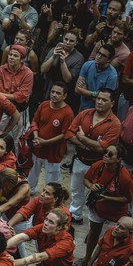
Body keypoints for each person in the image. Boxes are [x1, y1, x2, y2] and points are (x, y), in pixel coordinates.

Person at [66, 89, 122, 224]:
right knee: (76, 189)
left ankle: (96, 223)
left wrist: (83, 139)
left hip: (99, 164)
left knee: (98, 194)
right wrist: (86, 146)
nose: (100, 102)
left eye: (104, 100)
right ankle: (76, 215)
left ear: (112, 103)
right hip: (80, 159)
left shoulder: (115, 123)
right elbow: (69, 134)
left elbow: (102, 148)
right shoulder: (85, 114)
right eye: (98, 99)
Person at [27, 82, 74, 194]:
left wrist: (45, 142)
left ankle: (51, 195)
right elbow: (34, 122)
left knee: (52, 175)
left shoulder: (68, 113)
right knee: (33, 171)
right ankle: (29, 190)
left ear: (65, 96)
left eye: (58, 93)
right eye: (52, 92)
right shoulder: (43, 105)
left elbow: (64, 135)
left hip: (53, 151)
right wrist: (37, 137)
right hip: (38, 147)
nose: (54, 95)